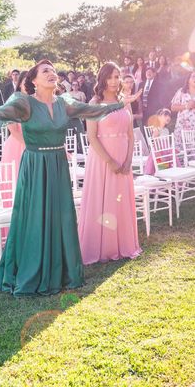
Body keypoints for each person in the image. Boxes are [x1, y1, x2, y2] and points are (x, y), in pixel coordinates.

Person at [0, 59, 140, 297]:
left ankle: (62, 271)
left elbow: (92, 110)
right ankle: (33, 269)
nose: (52, 74)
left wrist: (118, 105)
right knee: (35, 215)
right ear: (33, 80)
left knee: (60, 216)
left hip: (58, 164)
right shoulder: (25, 102)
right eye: (46, 71)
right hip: (35, 165)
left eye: (54, 71)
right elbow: (0, 113)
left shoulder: (65, 103)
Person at [78, 62, 141, 264]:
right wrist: (110, 161)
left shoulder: (125, 101)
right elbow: (92, 137)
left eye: (117, 76)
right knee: (103, 199)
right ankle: (102, 246)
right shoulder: (94, 103)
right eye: (110, 77)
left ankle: (122, 244)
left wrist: (128, 159)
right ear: (103, 79)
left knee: (120, 200)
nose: (114, 81)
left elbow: (131, 135)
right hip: (102, 159)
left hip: (124, 157)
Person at [0, 71, 30, 192]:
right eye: (26, 82)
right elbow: (13, 130)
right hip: (17, 145)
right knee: (18, 183)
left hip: (37, 144)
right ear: (20, 84)